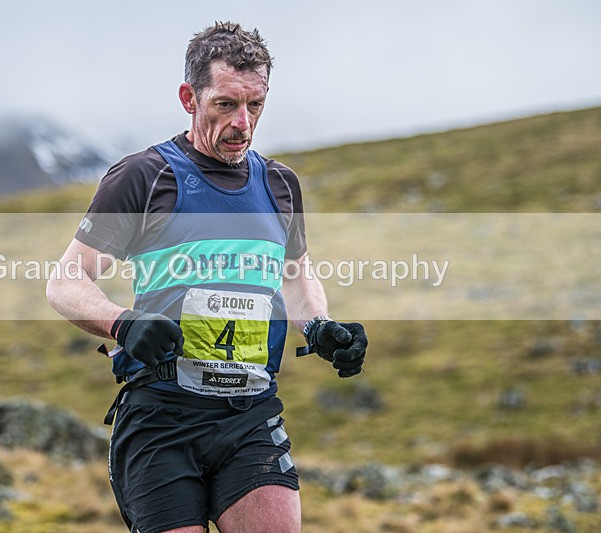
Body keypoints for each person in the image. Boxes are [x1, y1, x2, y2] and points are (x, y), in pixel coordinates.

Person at [47, 21, 367, 533]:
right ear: (188, 98)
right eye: (225, 104)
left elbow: (294, 275)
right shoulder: (146, 177)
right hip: (161, 418)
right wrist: (123, 324)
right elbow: (65, 282)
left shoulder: (279, 184)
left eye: (255, 105)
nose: (243, 123)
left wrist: (321, 327)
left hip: (249, 413)